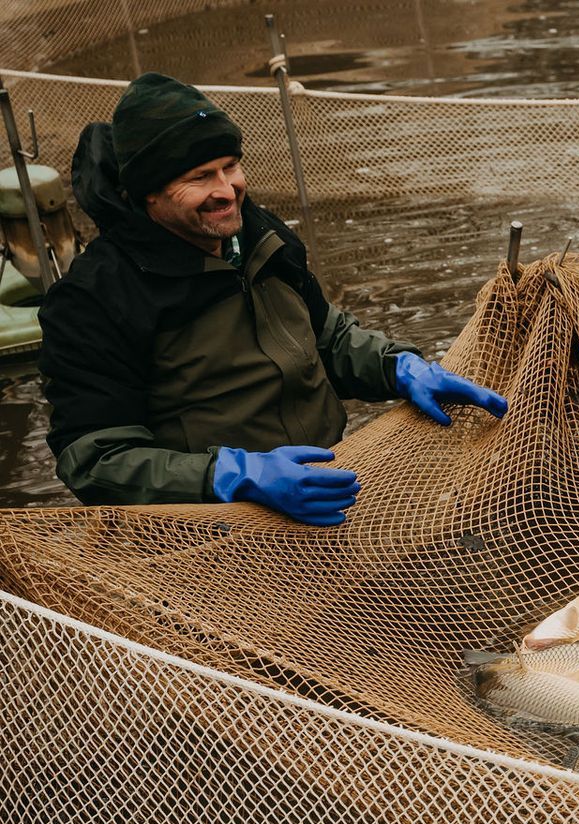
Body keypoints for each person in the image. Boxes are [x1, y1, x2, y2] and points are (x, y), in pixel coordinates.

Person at [37, 73, 506, 525]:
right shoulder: (92, 299)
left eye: (231, 166)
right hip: (206, 536)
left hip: (323, 492)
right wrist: (233, 475)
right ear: (149, 196)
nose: (227, 191)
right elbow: (94, 458)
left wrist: (397, 367)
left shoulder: (261, 236)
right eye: (200, 176)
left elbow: (324, 336)